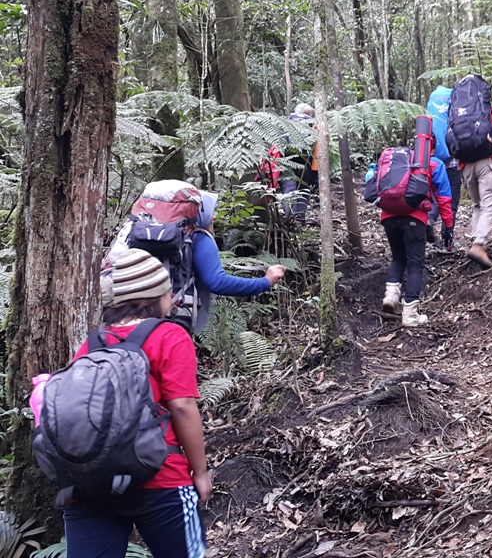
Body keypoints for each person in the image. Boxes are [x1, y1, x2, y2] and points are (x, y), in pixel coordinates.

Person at [64, 249, 210, 558]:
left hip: (91, 485)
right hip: (162, 479)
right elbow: (182, 406)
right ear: (150, 297)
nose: (174, 298)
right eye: (168, 291)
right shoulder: (170, 335)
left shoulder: (91, 343)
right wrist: (200, 472)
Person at [381, 139, 455, 327]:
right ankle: (410, 316)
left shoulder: (394, 161)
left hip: (388, 217)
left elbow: (371, 179)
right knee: (415, 264)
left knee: (398, 258)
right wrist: (448, 226)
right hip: (415, 219)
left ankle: (391, 296)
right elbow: (444, 199)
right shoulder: (433, 163)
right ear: (432, 145)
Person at [191, 192, 286, 330]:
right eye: (210, 212)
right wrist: (264, 282)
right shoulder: (200, 239)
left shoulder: (178, 236)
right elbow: (218, 282)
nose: (214, 216)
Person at [455, 88, 492, 269]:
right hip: (486, 162)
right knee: (489, 205)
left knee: (477, 205)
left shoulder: (457, 113)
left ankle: (476, 240)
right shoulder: (490, 111)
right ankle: (479, 245)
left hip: (465, 166)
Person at [257, 102, 319, 225]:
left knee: (289, 190)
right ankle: (300, 219)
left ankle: (290, 218)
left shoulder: (285, 123)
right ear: (309, 114)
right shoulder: (314, 125)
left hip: (285, 162)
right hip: (306, 164)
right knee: (303, 190)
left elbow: (276, 142)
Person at [427, 85, 462, 250]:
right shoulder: (455, 105)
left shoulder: (431, 107)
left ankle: (429, 219)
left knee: (435, 198)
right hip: (452, 162)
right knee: (451, 202)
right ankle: (447, 241)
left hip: (431, 161)